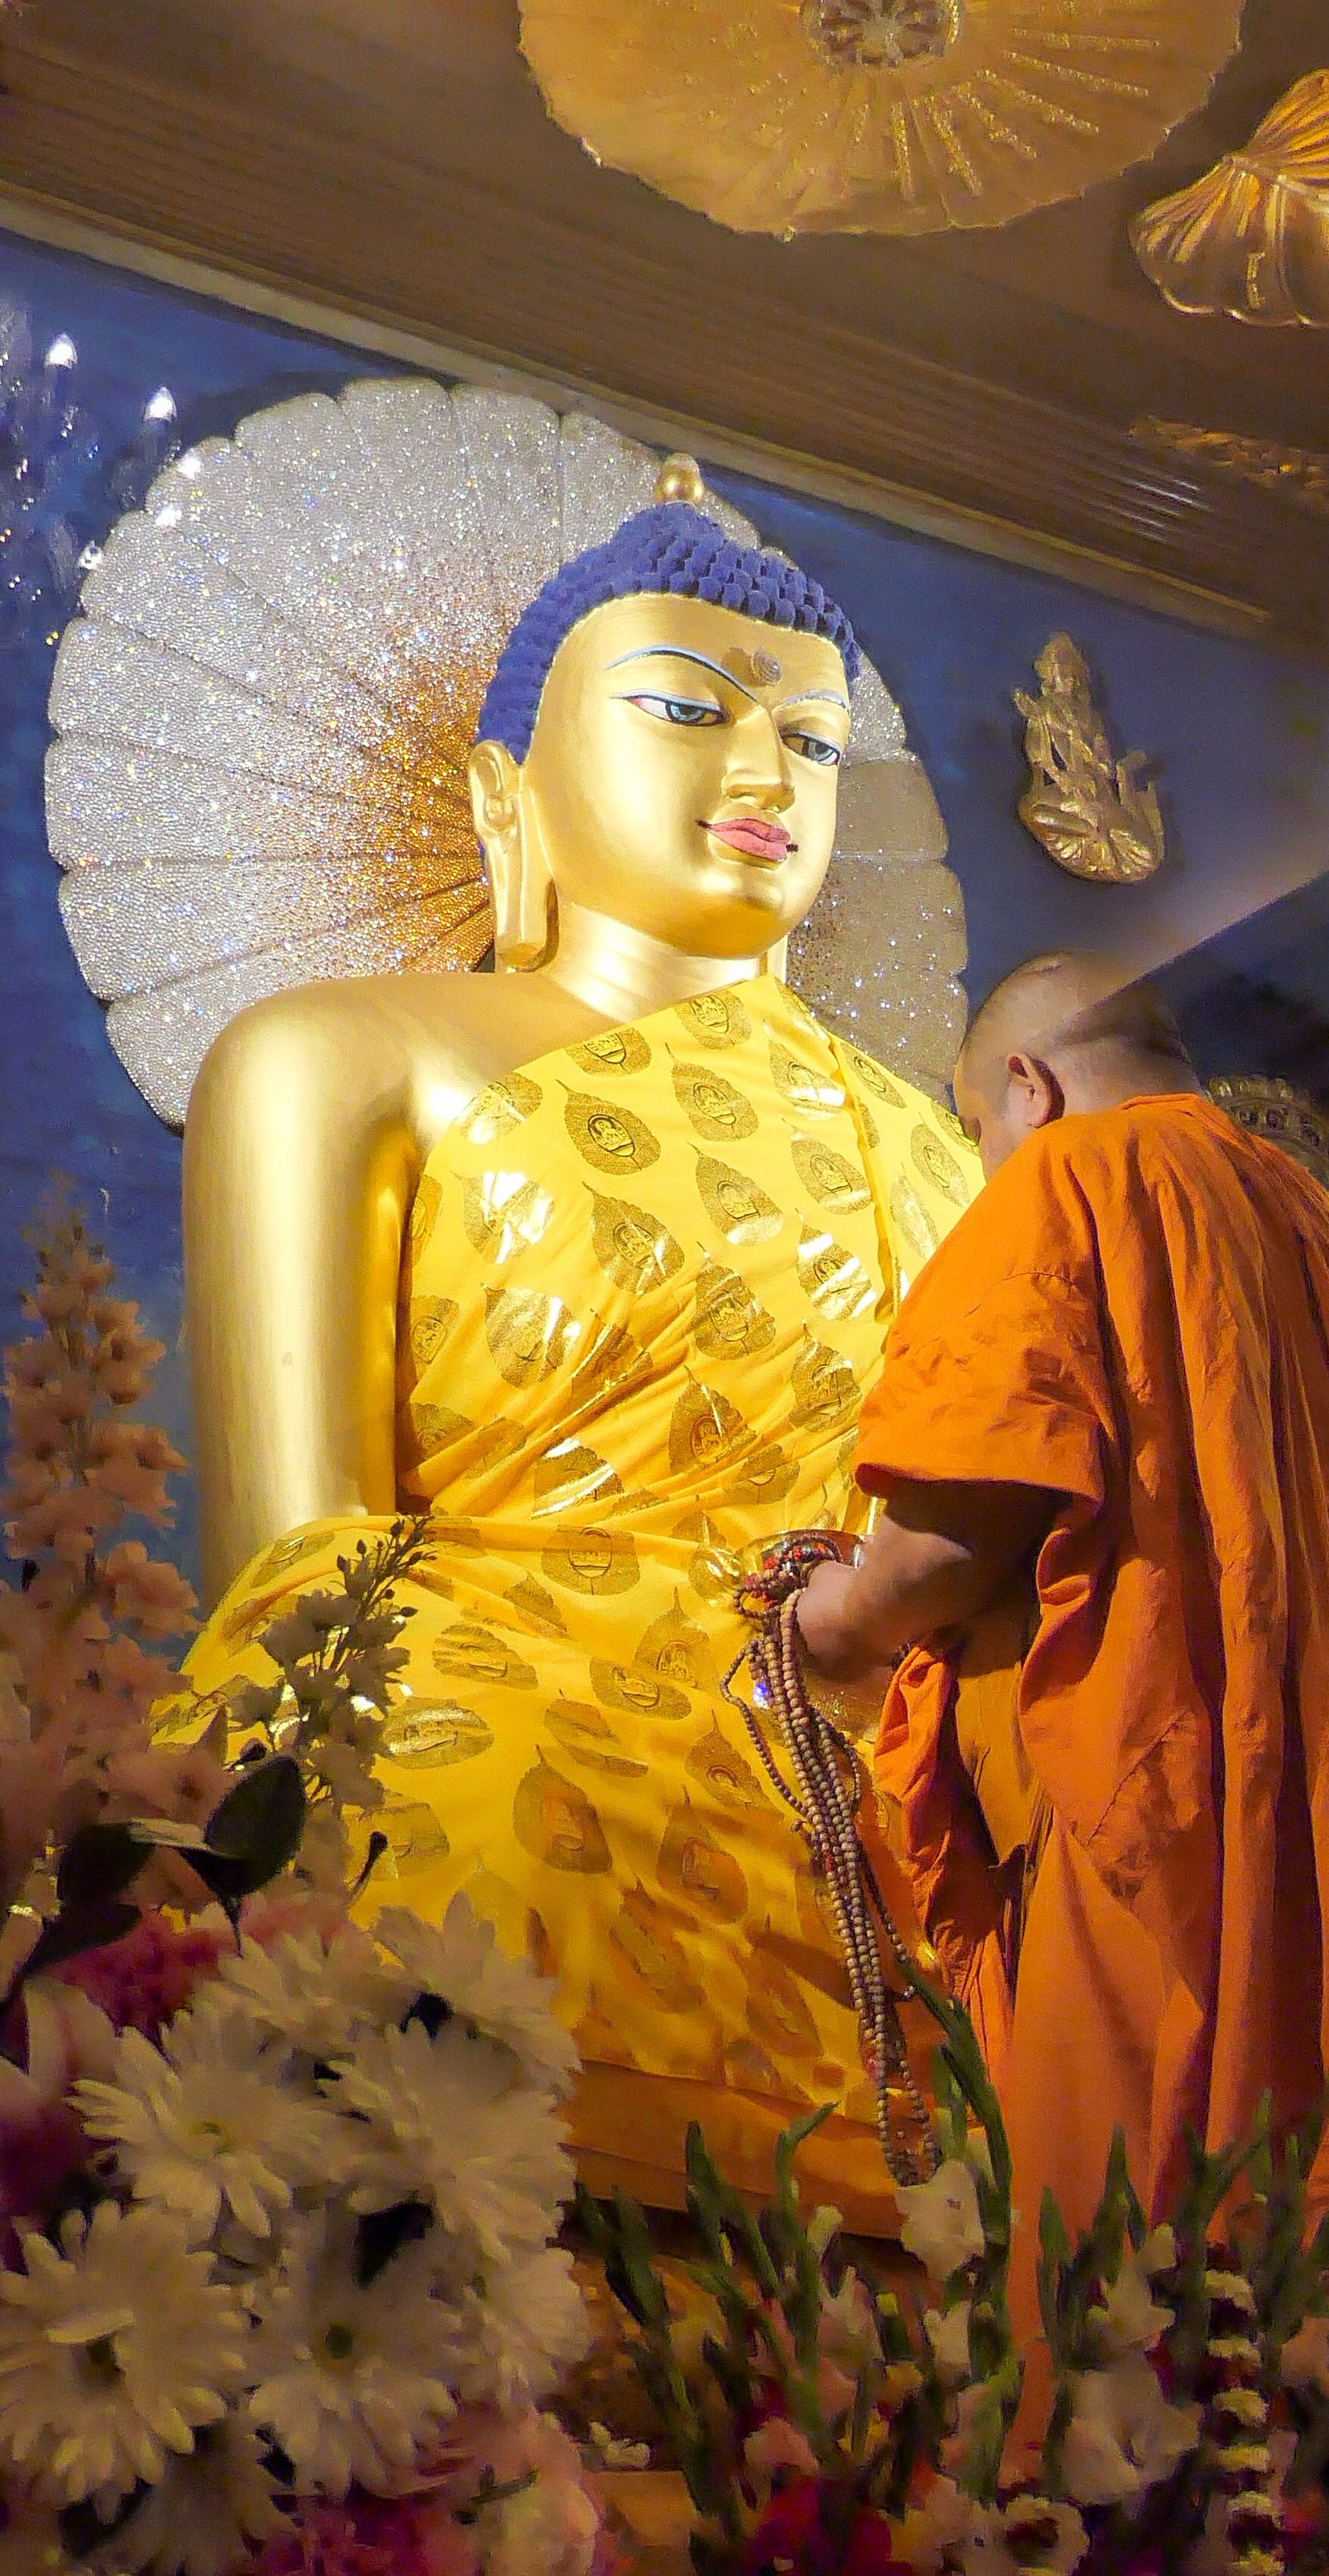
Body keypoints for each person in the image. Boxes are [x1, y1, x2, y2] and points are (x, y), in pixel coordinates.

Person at [172, 464, 981, 2234]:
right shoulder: (341, 1056)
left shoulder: (939, 1151)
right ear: (499, 787)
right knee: (464, 1813)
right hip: (510, 1694)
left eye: (813, 744)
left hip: (891, 1734)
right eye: (687, 710)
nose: (764, 776)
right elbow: (301, 1572)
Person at [795, 951, 1329, 2269]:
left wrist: (835, 1618)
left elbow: (957, 1535)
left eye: (974, 1134)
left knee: (1133, 2284)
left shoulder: (1068, 1179)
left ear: (1027, 1087)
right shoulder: (1309, 1219)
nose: (983, 1167)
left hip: (1156, 1820)